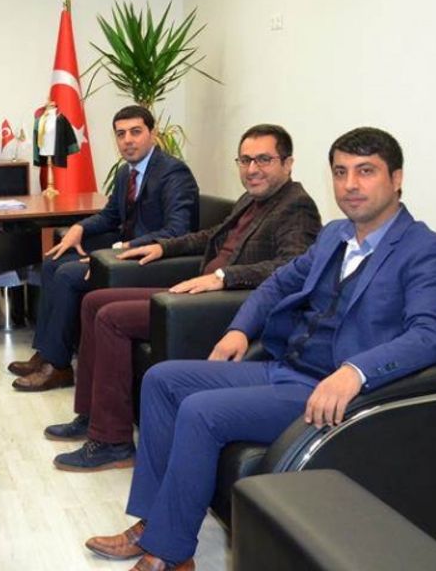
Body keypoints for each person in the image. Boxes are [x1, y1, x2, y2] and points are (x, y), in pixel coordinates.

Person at [84, 127, 436, 571]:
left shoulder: (428, 250)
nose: (350, 185)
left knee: (201, 411)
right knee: (163, 379)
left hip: (327, 389)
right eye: (340, 172)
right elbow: (279, 282)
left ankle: (170, 554)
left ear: (396, 179)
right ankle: (153, 523)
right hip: (283, 365)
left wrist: (355, 372)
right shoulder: (335, 235)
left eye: (366, 172)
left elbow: (432, 334)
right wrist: (240, 329)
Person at [47, 124, 322, 472]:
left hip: (227, 307)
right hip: (197, 292)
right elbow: (211, 236)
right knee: (94, 301)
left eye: (264, 160)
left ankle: (113, 442)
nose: (252, 169)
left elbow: (292, 267)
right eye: (245, 160)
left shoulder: (296, 206)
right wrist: (162, 246)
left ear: (288, 163)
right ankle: (92, 416)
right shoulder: (252, 199)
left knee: (112, 318)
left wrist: (223, 277)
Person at [10, 105, 200, 391]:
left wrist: (112, 255)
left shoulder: (173, 173)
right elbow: (111, 216)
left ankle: (58, 367)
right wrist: (80, 228)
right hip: (127, 255)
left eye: (136, 132)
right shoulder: (126, 173)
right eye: (121, 134)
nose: (128, 140)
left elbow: (177, 231)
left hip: (156, 262)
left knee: (67, 275)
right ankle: (46, 352)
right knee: (52, 262)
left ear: (153, 134)